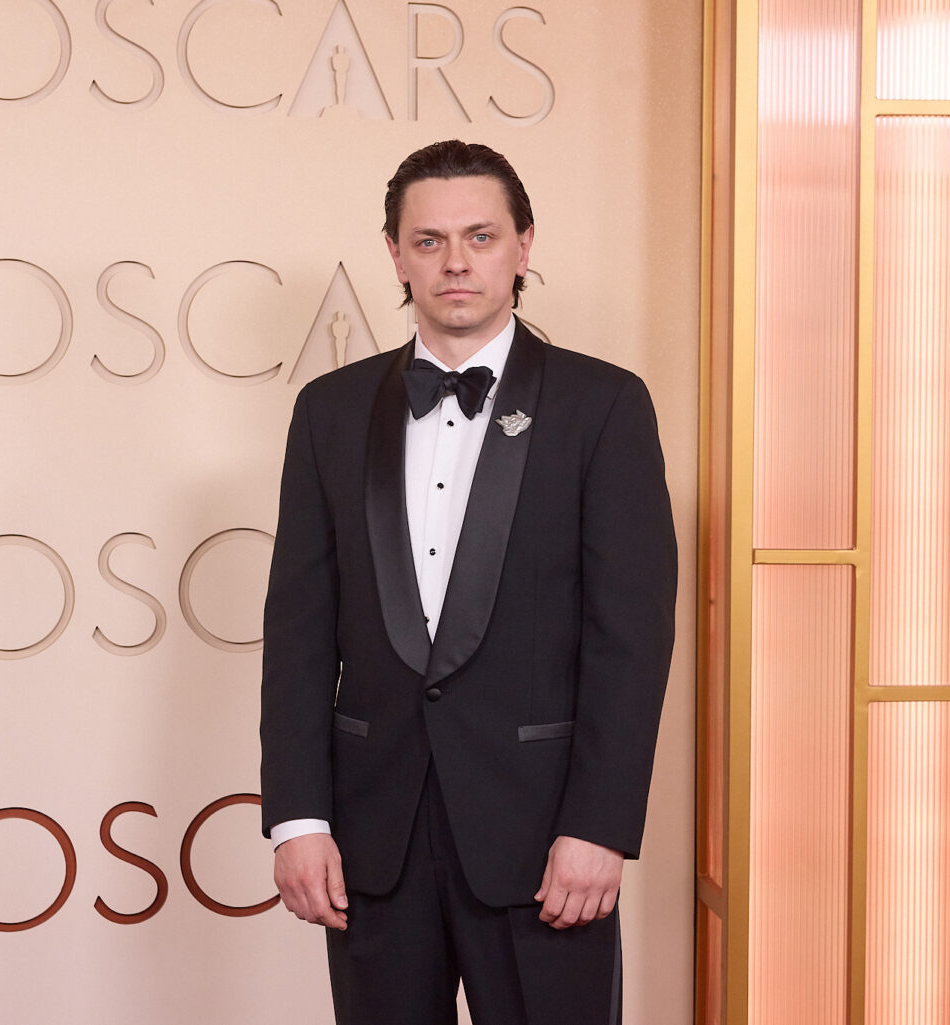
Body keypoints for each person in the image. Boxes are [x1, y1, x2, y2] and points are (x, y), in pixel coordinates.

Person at [259, 139, 676, 1025]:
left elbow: (630, 638)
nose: (455, 262)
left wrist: (600, 825)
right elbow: (299, 629)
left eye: (481, 236)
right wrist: (298, 819)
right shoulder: (328, 412)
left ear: (524, 246)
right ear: (396, 253)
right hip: (374, 843)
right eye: (429, 240)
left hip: (545, 843)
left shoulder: (604, 406)